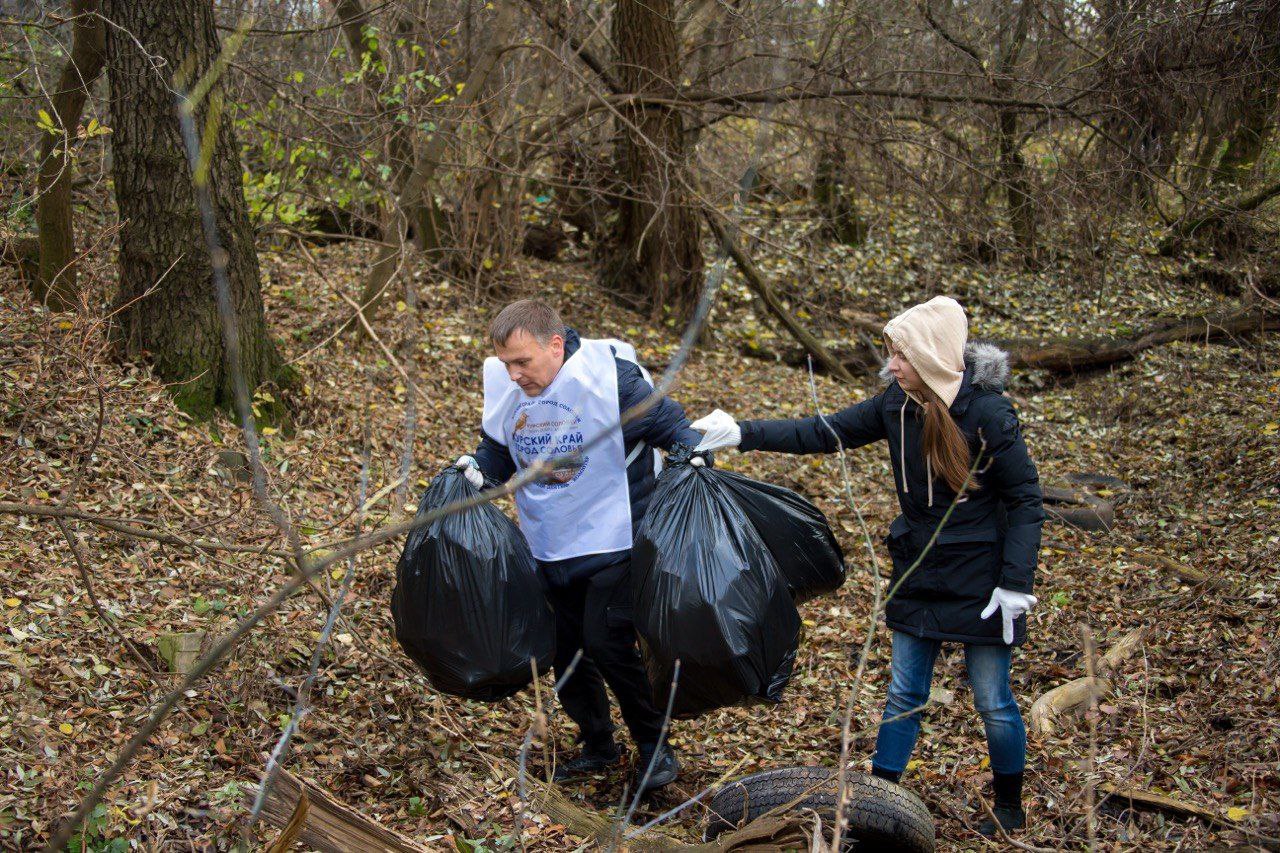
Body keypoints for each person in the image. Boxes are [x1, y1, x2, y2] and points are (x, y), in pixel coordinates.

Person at [690, 296, 1043, 835]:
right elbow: (823, 432)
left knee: (992, 698)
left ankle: (1010, 803)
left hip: (984, 576)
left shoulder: (989, 413)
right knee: (905, 691)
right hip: (919, 570)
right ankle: (882, 802)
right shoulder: (895, 405)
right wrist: (742, 432)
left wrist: (1016, 583)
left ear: (928, 354)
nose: (891, 365)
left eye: (899, 354)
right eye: (891, 354)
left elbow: (1024, 499)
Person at [455, 299, 705, 793]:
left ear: (554, 344)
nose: (514, 375)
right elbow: (498, 451)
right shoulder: (510, 388)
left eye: (523, 362)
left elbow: (676, 430)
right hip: (550, 538)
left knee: (606, 640)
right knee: (566, 649)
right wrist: (475, 473)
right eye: (506, 364)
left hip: (618, 534)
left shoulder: (611, 380)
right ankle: (598, 744)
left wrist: (691, 460)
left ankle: (656, 748)